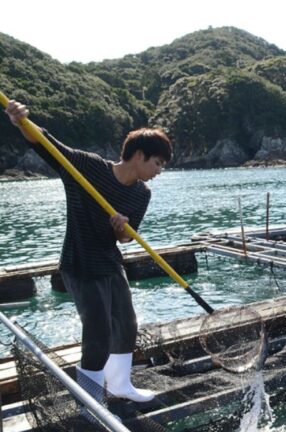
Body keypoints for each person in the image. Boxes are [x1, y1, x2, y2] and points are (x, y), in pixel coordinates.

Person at [5, 99, 172, 410]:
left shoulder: (141, 193)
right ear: (138, 155)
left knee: (126, 322)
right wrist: (21, 122)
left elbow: (125, 239)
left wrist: (121, 227)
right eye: (157, 163)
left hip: (109, 261)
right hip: (79, 262)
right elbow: (47, 145)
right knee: (96, 329)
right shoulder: (88, 167)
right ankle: (90, 404)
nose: (159, 171)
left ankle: (120, 385)